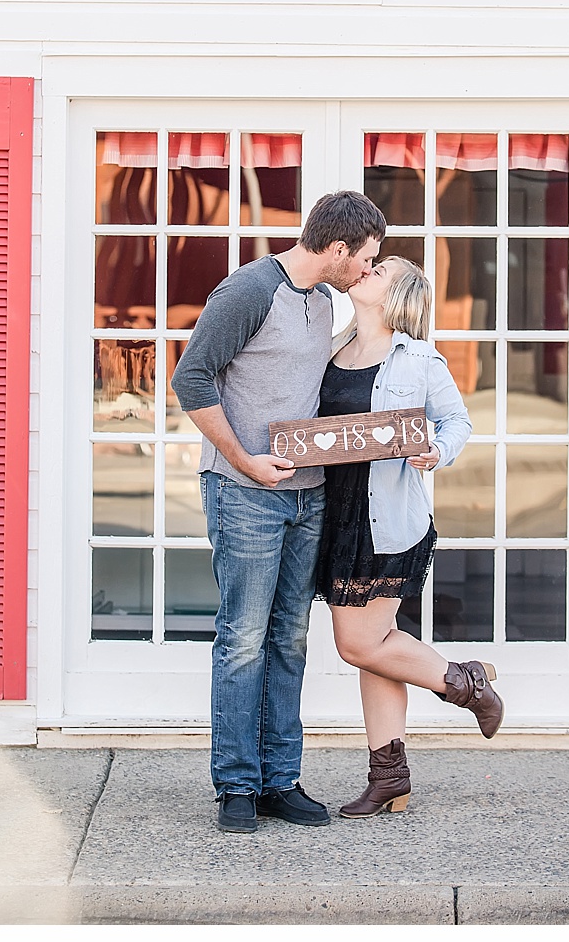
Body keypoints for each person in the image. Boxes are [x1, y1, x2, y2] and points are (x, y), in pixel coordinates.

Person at [171, 190, 387, 833]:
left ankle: (278, 780)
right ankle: (236, 785)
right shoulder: (247, 291)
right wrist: (243, 459)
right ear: (338, 249)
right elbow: (192, 379)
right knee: (244, 639)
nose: (368, 272)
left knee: (290, 638)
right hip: (245, 494)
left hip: (308, 495)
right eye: (367, 259)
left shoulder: (323, 302)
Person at [317, 255, 496, 818]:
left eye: (382, 269)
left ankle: (463, 684)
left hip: (387, 518)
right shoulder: (331, 350)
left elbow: (457, 421)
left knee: (359, 644)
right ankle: (389, 778)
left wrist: (436, 451)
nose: (367, 269)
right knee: (378, 650)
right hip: (332, 516)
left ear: (401, 294)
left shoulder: (417, 358)